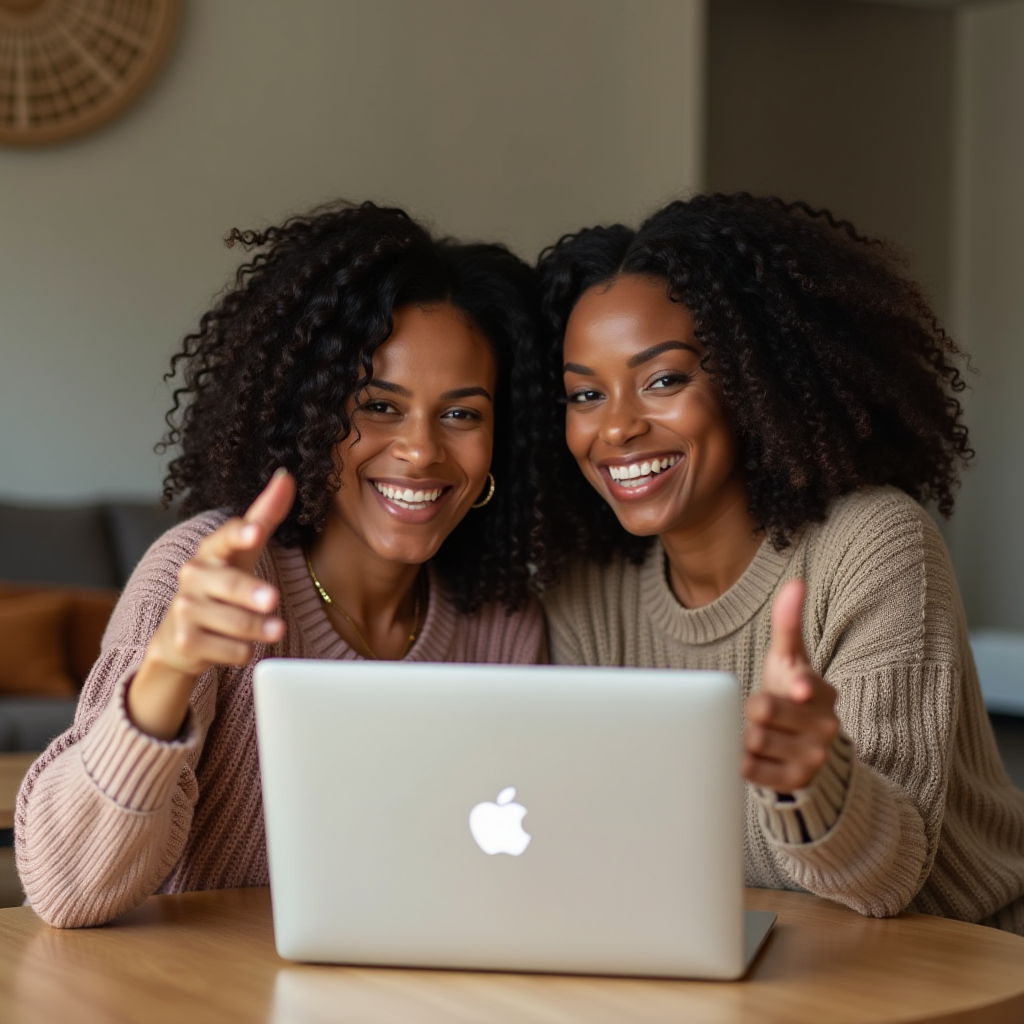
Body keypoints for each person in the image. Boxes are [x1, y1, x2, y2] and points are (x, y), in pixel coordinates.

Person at [16, 201, 554, 928]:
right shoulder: (209, 578)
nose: (422, 450)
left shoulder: (501, 619)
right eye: (378, 406)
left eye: (461, 414)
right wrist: (171, 665)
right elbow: (65, 892)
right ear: (307, 416)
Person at [537, 193, 1024, 933]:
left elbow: (888, 884)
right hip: (753, 961)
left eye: (664, 380)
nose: (617, 427)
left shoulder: (872, 545)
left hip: (961, 964)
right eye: (584, 394)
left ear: (752, 379)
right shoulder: (588, 592)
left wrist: (812, 784)